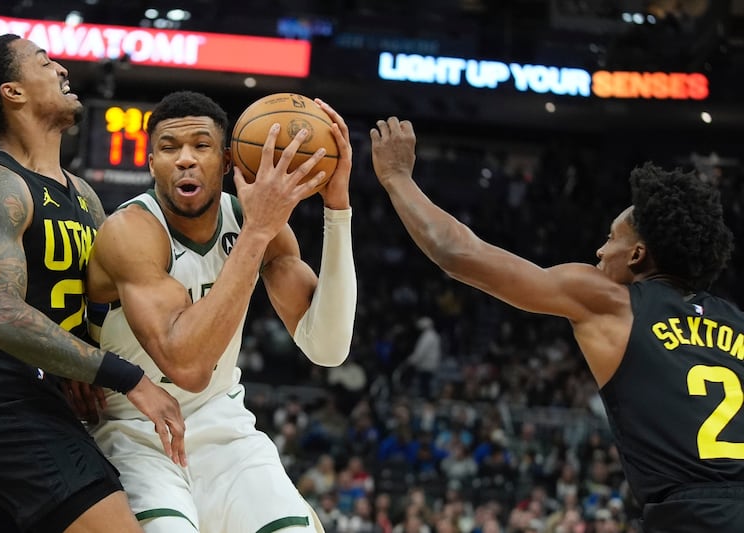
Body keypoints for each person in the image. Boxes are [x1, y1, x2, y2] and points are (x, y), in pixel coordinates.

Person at [370, 117, 743, 532]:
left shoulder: (610, 301)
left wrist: (397, 177)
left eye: (611, 238)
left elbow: (459, 253)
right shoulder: (739, 323)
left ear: (637, 255)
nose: (600, 251)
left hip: (690, 519)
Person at [0, 34, 186, 533]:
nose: (61, 69)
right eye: (44, 61)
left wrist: (78, 359)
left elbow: (92, 303)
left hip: (39, 398)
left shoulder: (85, 196)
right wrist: (126, 377)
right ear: (13, 92)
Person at [84, 90, 357, 532]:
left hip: (224, 426)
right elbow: (187, 366)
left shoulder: (260, 227)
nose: (185, 159)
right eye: (169, 148)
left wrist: (337, 207)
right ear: (151, 163)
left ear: (228, 161)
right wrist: (258, 231)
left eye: (201, 145)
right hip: (135, 432)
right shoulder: (130, 232)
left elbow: (328, 349)